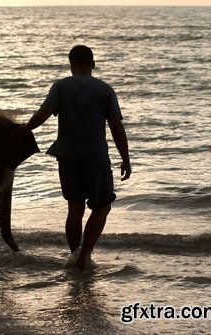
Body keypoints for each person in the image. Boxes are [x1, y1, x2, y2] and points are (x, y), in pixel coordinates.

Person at [17, 45, 131, 270]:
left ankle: (75, 254)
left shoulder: (61, 86)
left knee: (75, 208)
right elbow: (116, 127)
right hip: (96, 158)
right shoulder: (105, 90)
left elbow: (44, 113)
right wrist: (125, 159)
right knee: (102, 208)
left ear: (72, 65)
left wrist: (25, 129)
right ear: (93, 64)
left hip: (67, 157)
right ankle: (84, 256)